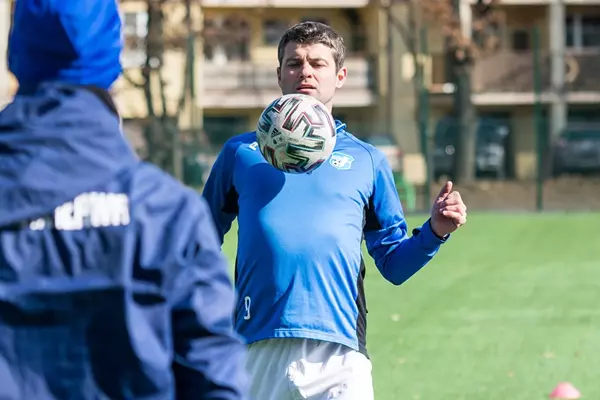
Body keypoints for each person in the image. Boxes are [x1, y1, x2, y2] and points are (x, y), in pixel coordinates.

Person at [202, 21, 467, 400]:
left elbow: (394, 265)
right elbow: (196, 240)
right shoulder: (240, 153)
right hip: (256, 345)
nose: (305, 72)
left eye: (317, 63)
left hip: (339, 353)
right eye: (294, 63)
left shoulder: (367, 160)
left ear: (340, 76)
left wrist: (435, 231)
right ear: (279, 74)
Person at [0, 1, 248, 399]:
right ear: (111, 58)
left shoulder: (166, 211)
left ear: (16, 53)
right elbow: (215, 378)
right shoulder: (165, 211)